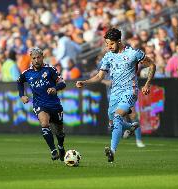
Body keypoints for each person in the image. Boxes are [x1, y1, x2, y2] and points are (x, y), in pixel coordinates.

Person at [76, 28, 156, 162]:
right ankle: (131, 126)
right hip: (115, 93)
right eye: (107, 44)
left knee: (118, 115)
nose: (109, 46)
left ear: (119, 41)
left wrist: (147, 84)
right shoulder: (108, 56)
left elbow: (152, 65)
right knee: (112, 124)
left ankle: (112, 151)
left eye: (111, 44)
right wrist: (85, 82)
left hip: (130, 90)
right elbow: (100, 76)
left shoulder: (133, 53)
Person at [17, 47, 67, 161]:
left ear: (42, 57)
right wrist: (22, 95)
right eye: (33, 58)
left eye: (38, 57)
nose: (36, 60)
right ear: (31, 59)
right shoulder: (27, 73)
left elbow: (62, 83)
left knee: (59, 131)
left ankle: (60, 146)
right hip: (40, 104)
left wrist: (55, 88)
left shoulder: (50, 69)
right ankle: (53, 150)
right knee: (44, 123)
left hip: (54, 104)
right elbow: (19, 82)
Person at [100, 79, 146, 148]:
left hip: (126, 93)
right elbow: (99, 76)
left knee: (133, 115)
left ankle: (138, 140)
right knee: (116, 121)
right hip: (113, 96)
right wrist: (104, 81)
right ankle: (130, 127)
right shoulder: (105, 69)